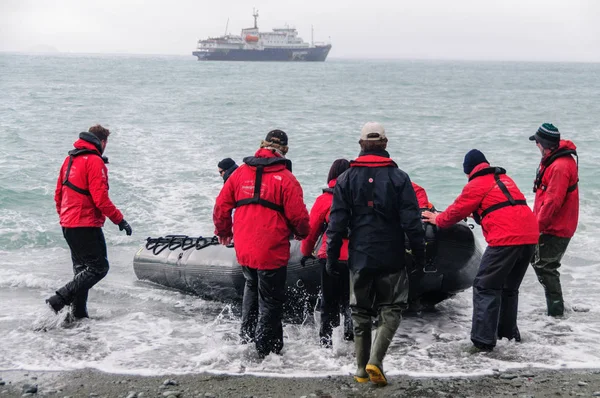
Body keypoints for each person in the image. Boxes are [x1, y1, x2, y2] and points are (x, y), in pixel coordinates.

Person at [327, 122, 426, 386]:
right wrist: (420, 253)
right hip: (391, 254)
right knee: (391, 309)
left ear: (361, 145)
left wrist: (331, 256)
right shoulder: (399, 178)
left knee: (360, 312)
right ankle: (376, 361)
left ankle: (360, 369)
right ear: (385, 144)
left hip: (359, 255)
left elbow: (336, 222)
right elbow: (412, 222)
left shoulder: (346, 178)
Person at [422, 149, 539, 352]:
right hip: (530, 237)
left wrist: (436, 219)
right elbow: (501, 207)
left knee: (485, 286)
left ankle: (483, 341)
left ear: (469, 171)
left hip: (506, 239)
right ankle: (508, 335)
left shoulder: (476, 184)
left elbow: (455, 211)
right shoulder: (506, 180)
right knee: (508, 289)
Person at [213, 129, 310, 359]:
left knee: (251, 288)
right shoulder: (286, 179)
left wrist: (224, 232)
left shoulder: (239, 174)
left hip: (245, 248)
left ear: (262, 145)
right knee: (271, 300)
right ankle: (267, 352)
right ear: (283, 151)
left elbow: (221, 207)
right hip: (271, 249)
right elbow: (300, 218)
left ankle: (246, 339)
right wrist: (301, 233)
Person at [47, 125, 132, 319]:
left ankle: (78, 316)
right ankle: (59, 299)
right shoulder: (94, 161)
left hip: (68, 224)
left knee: (81, 271)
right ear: (103, 142)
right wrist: (120, 220)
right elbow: (100, 199)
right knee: (99, 268)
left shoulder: (69, 160)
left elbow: (58, 194)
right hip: (85, 224)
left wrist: (64, 216)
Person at [300, 159, 352, 348]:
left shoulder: (324, 200)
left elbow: (311, 231)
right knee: (351, 303)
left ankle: (326, 344)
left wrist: (305, 253)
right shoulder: (360, 197)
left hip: (331, 257)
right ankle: (351, 342)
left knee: (329, 303)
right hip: (356, 258)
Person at [529, 123, 579, 317]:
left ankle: (556, 314)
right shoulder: (553, 159)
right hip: (550, 223)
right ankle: (557, 306)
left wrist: (536, 228)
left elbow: (552, 203)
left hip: (557, 226)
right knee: (536, 260)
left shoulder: (559, 166)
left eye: (537, 142)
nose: (536, 146)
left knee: (546, 266)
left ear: (545, 144)